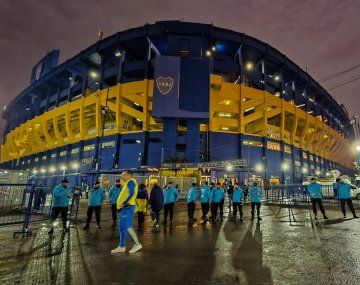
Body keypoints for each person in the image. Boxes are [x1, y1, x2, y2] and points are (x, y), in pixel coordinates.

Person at [111, 170, 142, 254]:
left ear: (128, 175)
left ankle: (137, 244)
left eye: (123, 175)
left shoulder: (131, 182)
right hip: (124, 208)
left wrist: (126, 202)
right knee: (122, 227)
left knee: (128, 226)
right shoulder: (128, 182)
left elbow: (132, 193)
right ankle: (121, 246)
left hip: (127, 207)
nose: (122, 176)